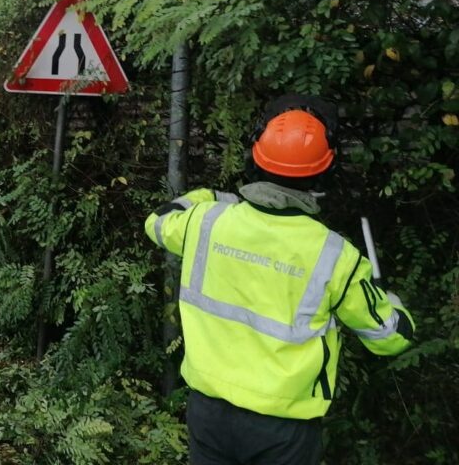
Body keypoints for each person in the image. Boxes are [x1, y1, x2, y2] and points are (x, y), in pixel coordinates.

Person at [144, 96, 415, 465]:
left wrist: (216, 197)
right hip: (284, 432)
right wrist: (392, 302)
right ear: (324, 172)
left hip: (208, 414)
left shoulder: (206, 221)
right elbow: (391, 338)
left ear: (255, 158)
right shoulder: (335, 255)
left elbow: (159, 221)